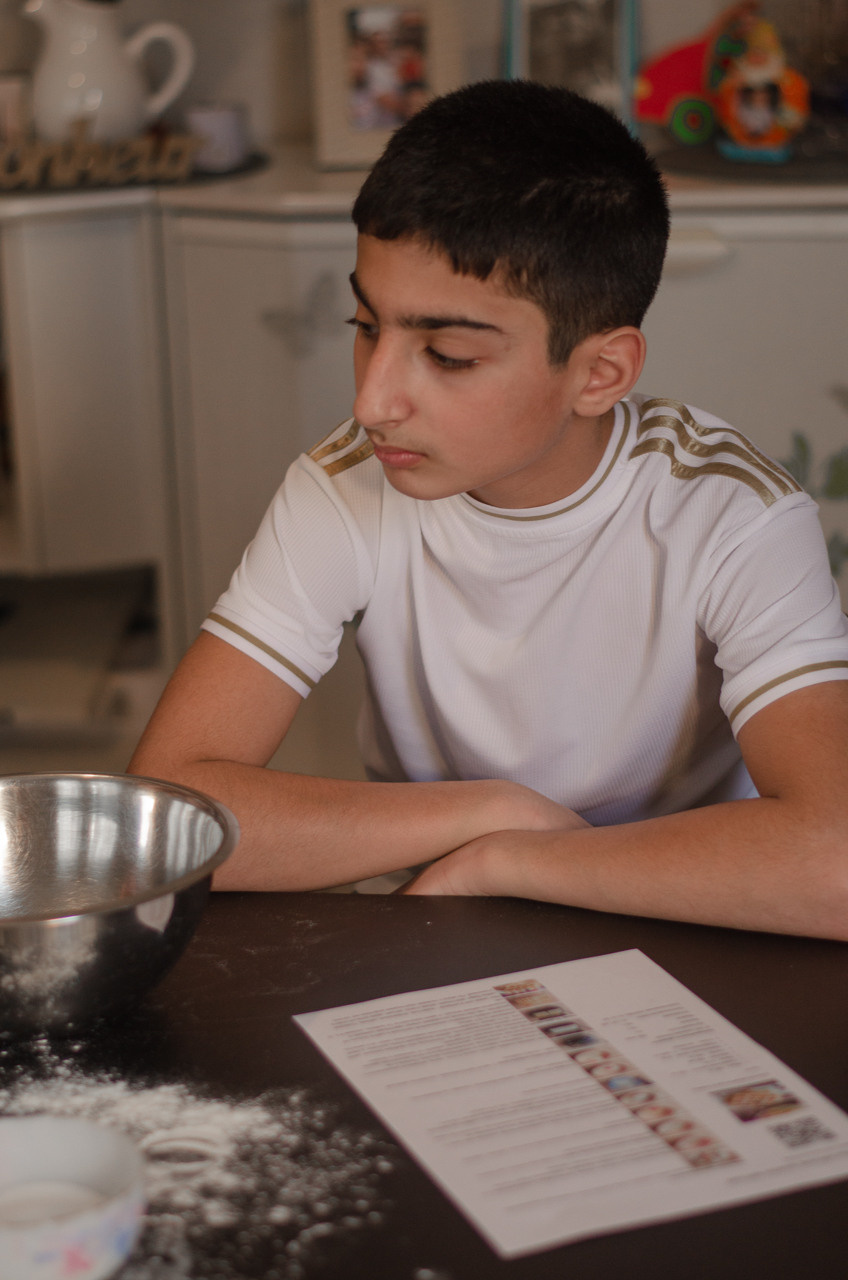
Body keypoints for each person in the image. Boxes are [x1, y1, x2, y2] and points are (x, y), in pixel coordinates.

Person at [128, 80, 848, 937]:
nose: (373, 402)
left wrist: (510, 858)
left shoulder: (734, 515)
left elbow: (835, 861)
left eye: (448, 354)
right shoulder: (346, 484)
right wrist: (490, 813)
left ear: (600, 374)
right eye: (366, 326)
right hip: (440, 926)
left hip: (678, 923)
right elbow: (166, 820)